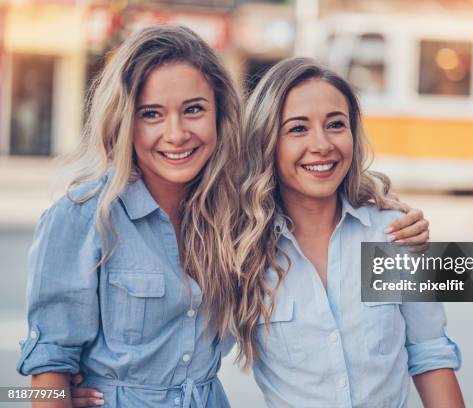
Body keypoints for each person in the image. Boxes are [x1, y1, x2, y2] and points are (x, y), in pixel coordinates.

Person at [17, 26, 429, 408]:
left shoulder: (234, 216)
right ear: (124, 121)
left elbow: (436, 331)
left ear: (219, 114)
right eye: (152, 114)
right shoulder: (83, 216)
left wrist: (393, 218)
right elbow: (46, 363)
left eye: (194, 109)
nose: (176, 134)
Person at [235, 58, 464, 407]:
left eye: (336, 125)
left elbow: (429, 351)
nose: (322, 144)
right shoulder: (243, 249)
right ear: (265, 141)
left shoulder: (392, 235)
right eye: (298, 129)